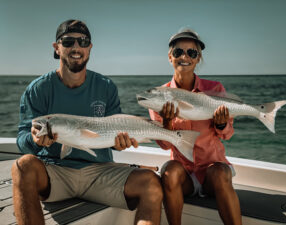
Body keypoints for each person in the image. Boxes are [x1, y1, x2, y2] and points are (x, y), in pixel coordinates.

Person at [12, 19, 163, 225]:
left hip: (100, 172)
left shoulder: (105, 86)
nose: (76, 47)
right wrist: (34, 141)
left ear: (90, 48)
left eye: (83, 42)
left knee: (151, 183)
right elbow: (22, 138)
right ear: (57, 48)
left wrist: (119, 143)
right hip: (55, 171)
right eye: (68, 42)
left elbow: (115, 131)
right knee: (22, 167)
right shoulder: (38, 89)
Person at [149, 29, 242, 225]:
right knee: (168, 171)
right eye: (178, 52)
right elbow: (165, 146)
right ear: (169, 57)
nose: (184, 57)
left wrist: (222, 123)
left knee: (221, 171)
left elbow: (227, 134)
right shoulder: (159, 96)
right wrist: (166, 122)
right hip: (183, 177)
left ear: (198, 58)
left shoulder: (215, 89)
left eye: (192, 53)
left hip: (211, 173)